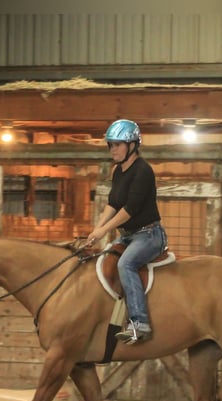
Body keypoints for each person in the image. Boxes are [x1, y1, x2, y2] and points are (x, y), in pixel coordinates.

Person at [86, 119, 168, 344]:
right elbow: (113, 204)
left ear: (132, 145)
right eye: (111, 145)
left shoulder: (143, 171)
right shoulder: (118, 171)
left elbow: (129, 210)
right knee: (103, 260)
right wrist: (96, 229)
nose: (113, 149)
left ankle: (139, 323)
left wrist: (104, 230)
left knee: (125, 264)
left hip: (149, 235)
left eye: (118, 144)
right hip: (129, 235)